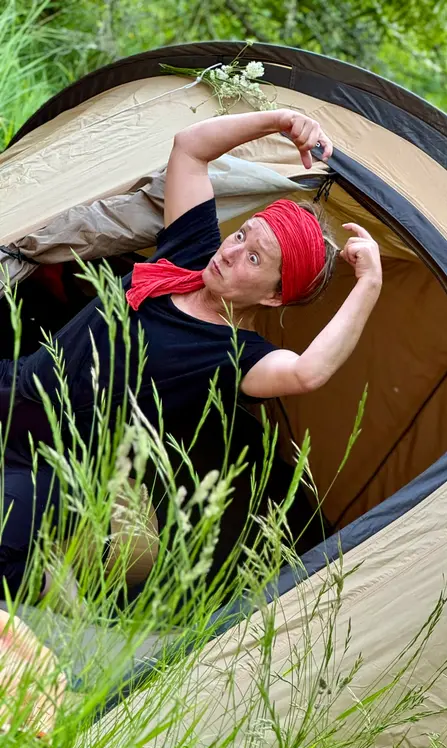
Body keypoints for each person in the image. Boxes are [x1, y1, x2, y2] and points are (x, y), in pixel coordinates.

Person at [0, 109, 383, 599]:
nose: (230, 251)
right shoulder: (187, 252)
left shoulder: (234, 355)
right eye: (242, 235)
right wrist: (280, 121)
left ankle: (52, 582)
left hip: (58, 465)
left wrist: (368, 284)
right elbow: (190, 147)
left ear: (271, 297)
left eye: (254, 259)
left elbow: (309, 372)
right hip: (15, 391)